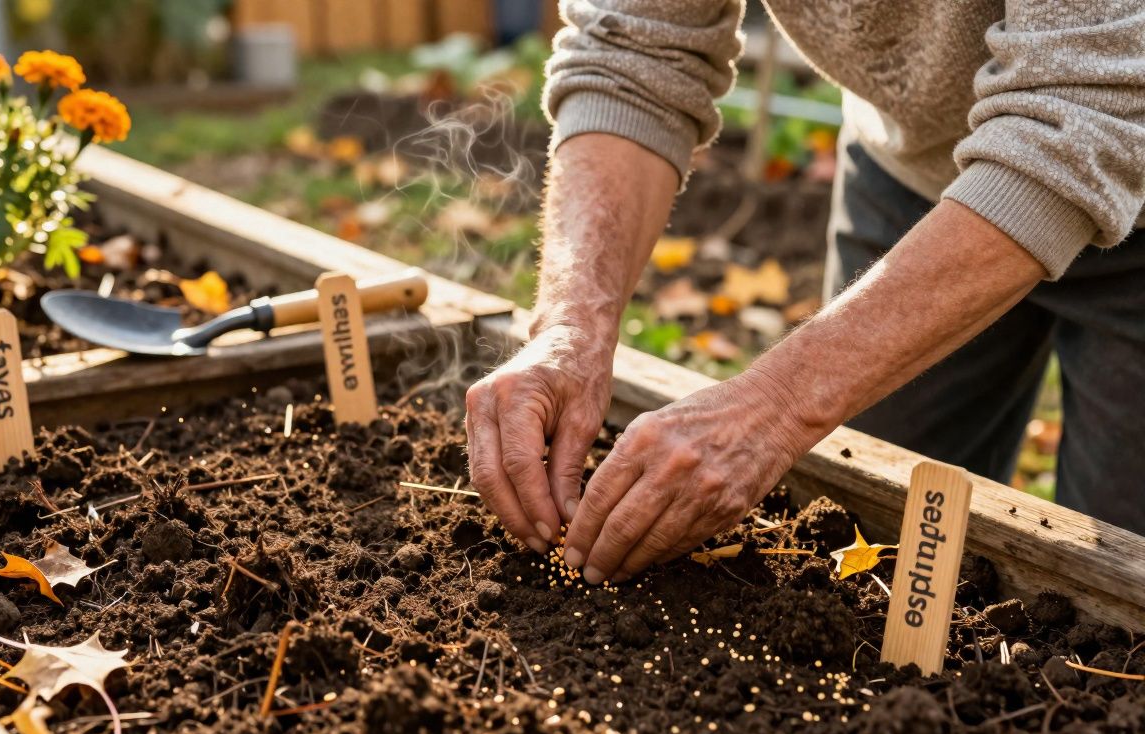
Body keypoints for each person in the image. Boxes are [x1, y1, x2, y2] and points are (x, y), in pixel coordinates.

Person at [465, 0, 1145, 586]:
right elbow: (634, 50)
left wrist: (776, 406)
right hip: (919, 169)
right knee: (869, 535)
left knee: (1118, 601)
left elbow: (1085, 110)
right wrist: (569, 327)